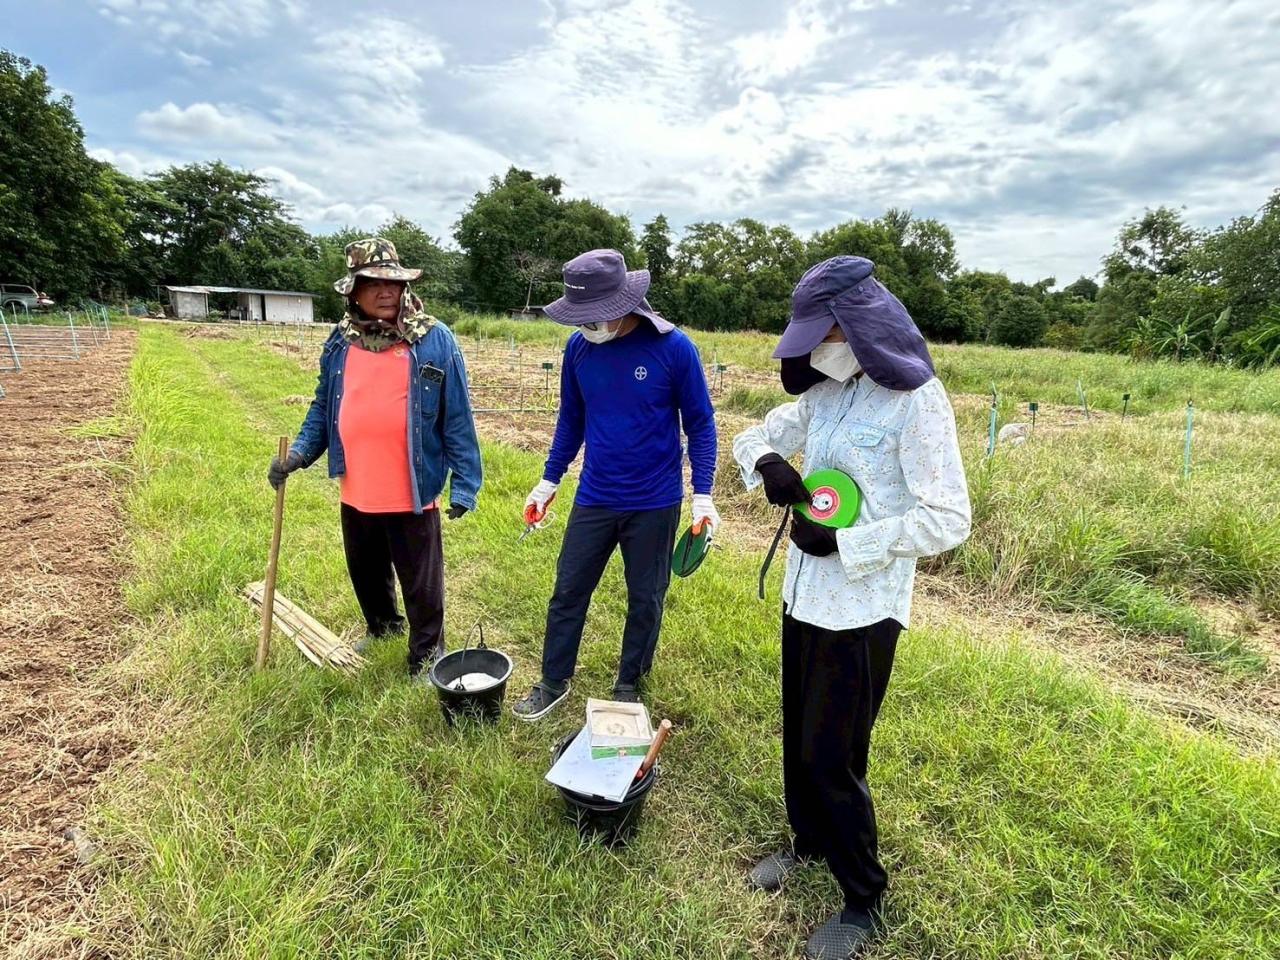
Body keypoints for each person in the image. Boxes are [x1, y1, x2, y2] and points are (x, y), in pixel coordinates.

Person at [732, 256, 971, 960]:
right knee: (797, 736)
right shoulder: (826, 394)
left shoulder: (915, 400)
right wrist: (769, 464)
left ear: (859, 325)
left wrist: (851, 543)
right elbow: (755, 434)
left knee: (833, 753)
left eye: (823, 330)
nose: (815, 345)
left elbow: (949, 517)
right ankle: (808, 843)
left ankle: (863, 897)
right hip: (803, 596)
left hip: (863, 608)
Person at [513, 249, 718, 720]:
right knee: (568, 589)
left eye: (593, 316)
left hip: (654, 499)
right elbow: (572, 418)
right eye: (578, 316)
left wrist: (702, 492)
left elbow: (702, 425)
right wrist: (549, 480)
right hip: (596, 496)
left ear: (624, 303)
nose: (586, 325)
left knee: (646, 596)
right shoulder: (579, 349)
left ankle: (629, 682)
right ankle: (552, 681)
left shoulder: (673, 349)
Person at [268, 237, 482, 680]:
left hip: (412, 485)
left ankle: (427, 652)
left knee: (421, 580)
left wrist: (465, 482)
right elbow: (324, 405)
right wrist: (302, 454)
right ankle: (382, 625)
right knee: (365, 568)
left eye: (393, 283)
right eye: (373, 283)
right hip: (358, 482)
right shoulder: (340, 341)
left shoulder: (434, 339)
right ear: (353, 292)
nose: (387, 292)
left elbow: (457, 415)